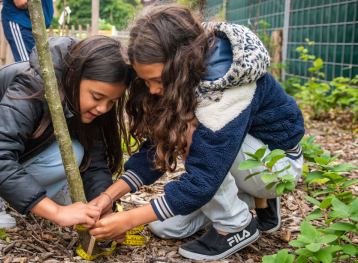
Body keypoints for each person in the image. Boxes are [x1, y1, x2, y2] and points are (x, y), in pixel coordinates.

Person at [88, 4, 305, 260]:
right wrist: (108, 195)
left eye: (157, 80)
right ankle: (248, 199)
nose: (154, 90)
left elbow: (204, 175)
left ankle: (237, 224)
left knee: (194, 136)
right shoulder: (182, 78)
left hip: (276, 165)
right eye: (146, 81)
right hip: (238, 161)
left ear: (181, 63)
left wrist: (128, 219)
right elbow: (156, 148)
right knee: (164, 225)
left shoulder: (225, 90)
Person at [0, 36, 132, 229]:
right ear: (73, 74)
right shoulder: (32, 85)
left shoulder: (82, 98)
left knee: (79, 151)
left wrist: (103, 205)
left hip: (13, 147)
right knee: (72, 153)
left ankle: (50, 189)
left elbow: (95, 159)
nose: (103, 109)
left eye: (112, 102)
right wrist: (57, 213)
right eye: (97, 97)